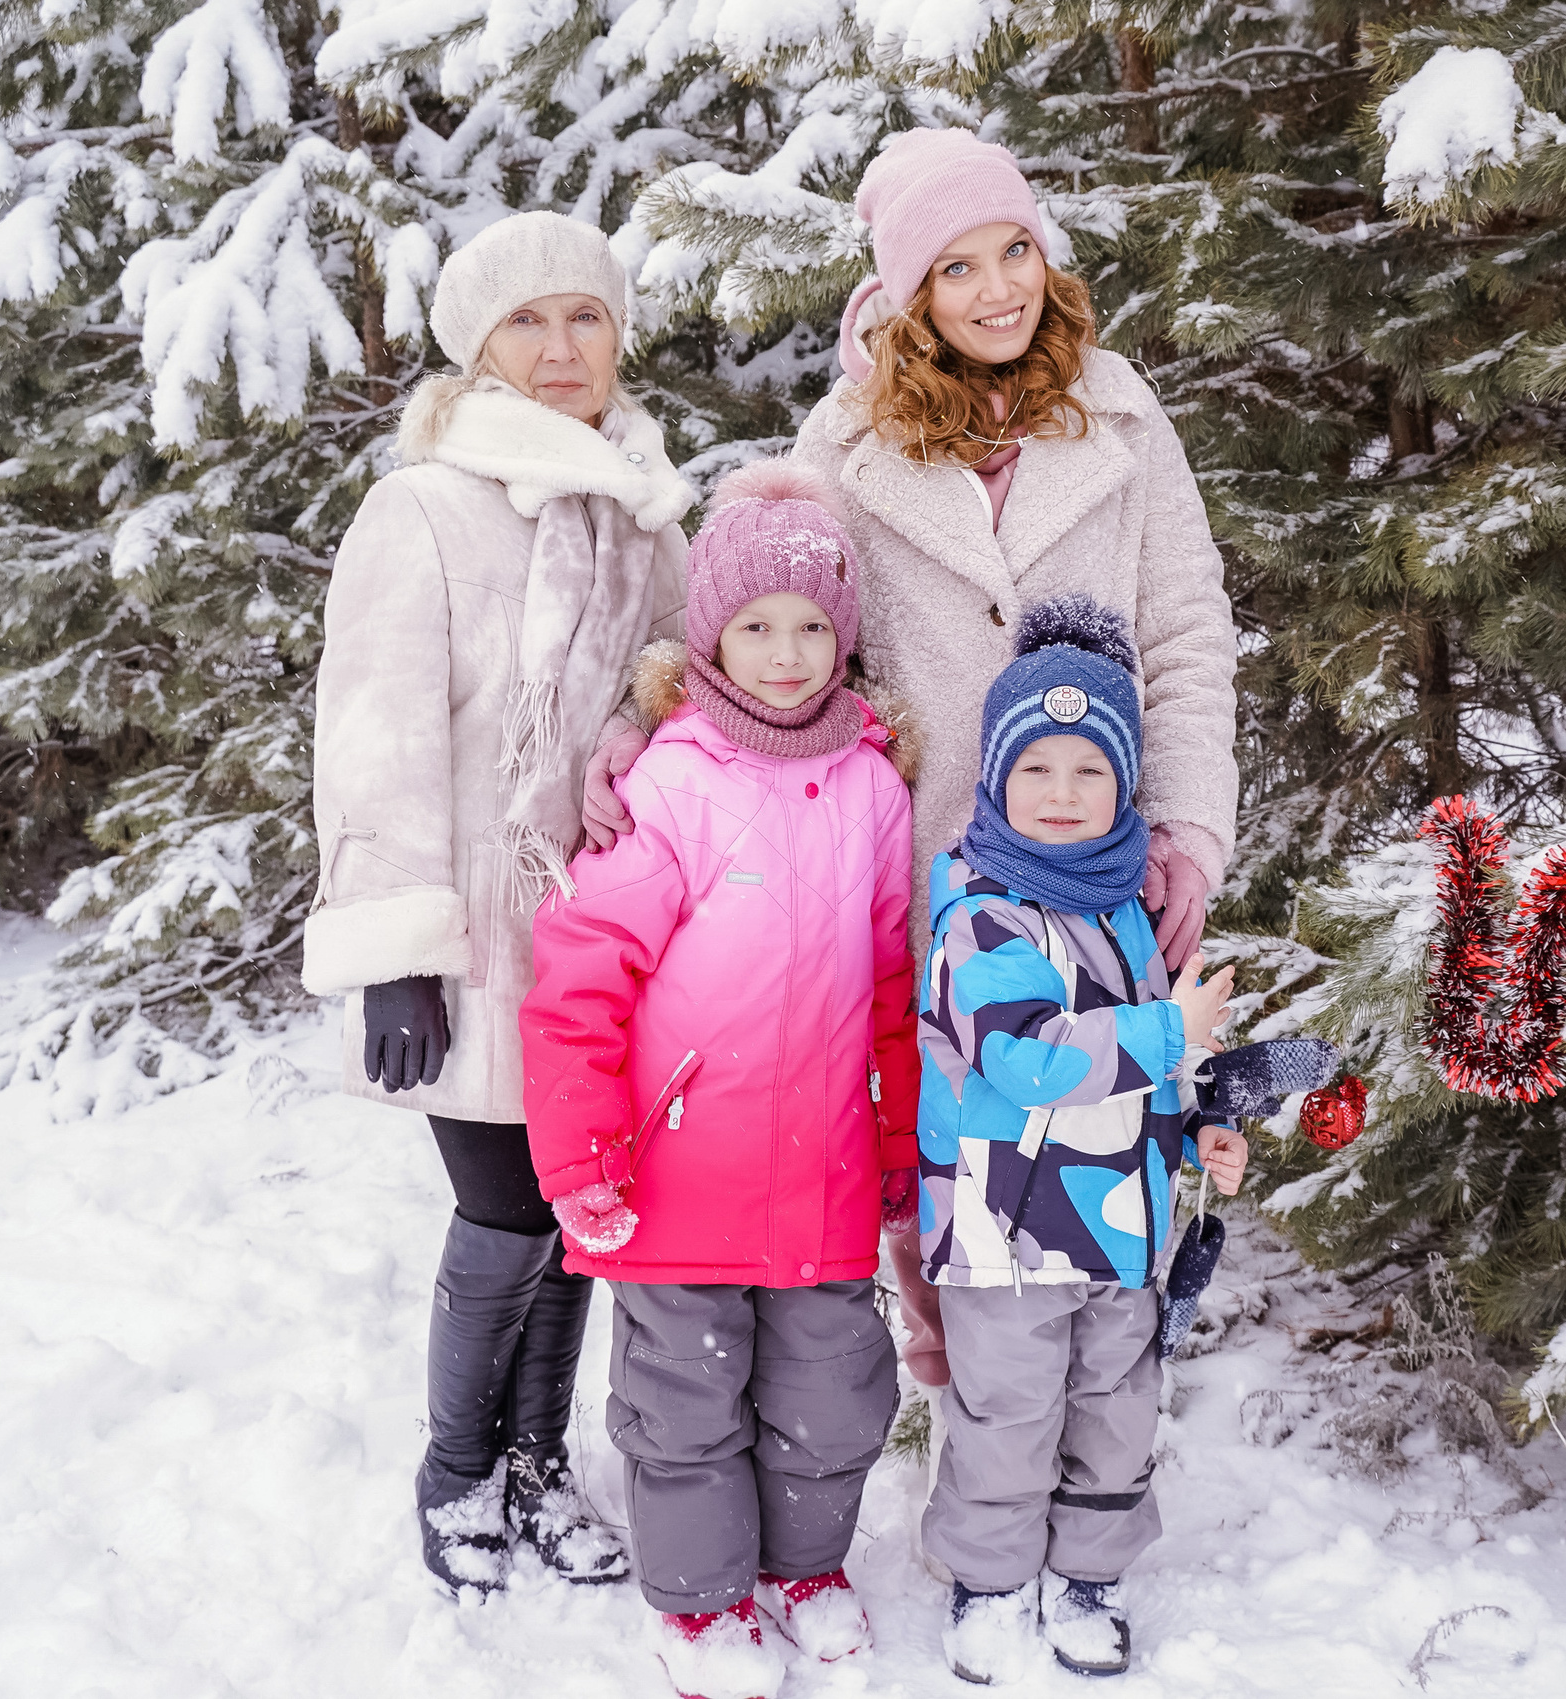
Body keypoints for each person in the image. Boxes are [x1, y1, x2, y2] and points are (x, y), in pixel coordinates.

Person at [582, 126, 1242, 1398]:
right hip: (925, 857)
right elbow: (776, 625)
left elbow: (1186, 631)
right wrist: (650, 723)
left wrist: (1191, 829)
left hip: (1099, 848)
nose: (1001, 288)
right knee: (953, 1145)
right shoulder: (846, 441)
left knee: (1102, 1124)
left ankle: (1088, 1423)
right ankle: (966, 1414)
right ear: (903, 292)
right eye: (958, 267)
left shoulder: (1118, 407)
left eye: (1016, 251)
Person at [304, 212, 687, 1598]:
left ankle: (539, 1460)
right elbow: (376, 730)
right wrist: (397, 944)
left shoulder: (643, 507)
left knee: (582, 1200)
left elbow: (675, 717)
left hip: (600, 935)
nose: (561, 346)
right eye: (527, 322)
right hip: (472, 928)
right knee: (506, 1206)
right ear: (478, 348)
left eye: (584, 316)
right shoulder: (423, 504)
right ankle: (458, 1467)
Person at [518, 461, 922, 1699]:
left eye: (812, 626)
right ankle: (697, 1604)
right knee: (684, 1397)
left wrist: (899, 1137)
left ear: (844, 639)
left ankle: (804, 1568)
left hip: (825, 1173)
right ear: (710, 634)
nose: (787, 652)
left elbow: (896, 982)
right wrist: (583, 1157)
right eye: (756, 625)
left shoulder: (870, 781)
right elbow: (580, 979)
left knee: (834, 1388)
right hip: (679, 1169)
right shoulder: (672, 781)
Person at [914, 596, 1248, 1684]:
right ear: (997, 779)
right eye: (1037, 770)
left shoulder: (1123, 909)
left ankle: (1087, 1574)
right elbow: (1026, 1061)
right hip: (1004, 1232)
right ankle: (990, 1580)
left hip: (1118, 1227)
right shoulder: (981, 913)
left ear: (1126, 785)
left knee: (1115, 1413)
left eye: (1089, 772)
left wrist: (1197, 1130)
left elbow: (1149, 1070)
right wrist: (1169, 1032)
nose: (1062, 795)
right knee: (1007, 1418)